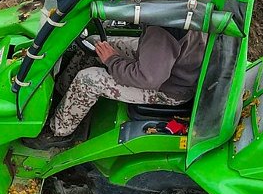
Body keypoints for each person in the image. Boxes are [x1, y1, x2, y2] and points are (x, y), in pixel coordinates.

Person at [41, 26, 208, 142]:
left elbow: (148, 79)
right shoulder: (175, 4)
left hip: (168, 89)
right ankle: (63, 92)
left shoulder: (164, 30)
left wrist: (112, 60)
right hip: (163, 60)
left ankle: (59, 131)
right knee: (94, 43)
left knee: (88, 79)